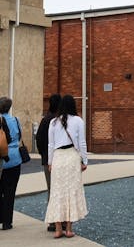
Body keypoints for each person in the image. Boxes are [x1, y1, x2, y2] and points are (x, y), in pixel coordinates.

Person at [45, 94, 88, 239]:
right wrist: (85, 160)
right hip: (71, 157)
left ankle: (58, 228)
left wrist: (50, 162)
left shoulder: (53, 122)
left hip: (57, 157)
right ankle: (69, 229)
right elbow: (82, 143)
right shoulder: (78, 121)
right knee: (71, 192)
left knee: (57, 192)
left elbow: (50, 144)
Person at [35, 93, 62, 232]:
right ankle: (63, 221)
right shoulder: (61, 120)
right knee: (62, 190)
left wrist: (43, 154)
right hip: (62, 159)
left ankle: (53, 221)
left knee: (52, 191)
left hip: (48, 160)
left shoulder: (46, 120)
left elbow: (38, 139)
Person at [0, 97, 24, 231]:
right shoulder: (16, 120)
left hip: (2, 159)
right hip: (15, 158)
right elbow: (19, 136)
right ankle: (7, 222)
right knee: (10, 192)